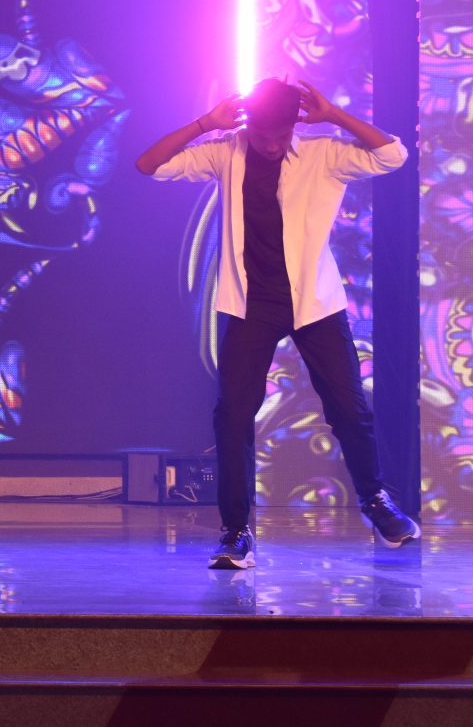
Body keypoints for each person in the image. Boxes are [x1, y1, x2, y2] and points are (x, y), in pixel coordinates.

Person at [136, 76, 418, 569]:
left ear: (293, 127)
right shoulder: (226, 152)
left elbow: (393, 155)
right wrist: (205, 123)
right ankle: (235, 531)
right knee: (233, 416)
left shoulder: (322, 153)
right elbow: (149, 164)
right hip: (250, 306)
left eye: (281, 136)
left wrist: (335, 115)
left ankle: (376, 502)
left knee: (350, 411)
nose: (271, 146)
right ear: (248, 125)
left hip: (315, 304)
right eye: (263, 136)